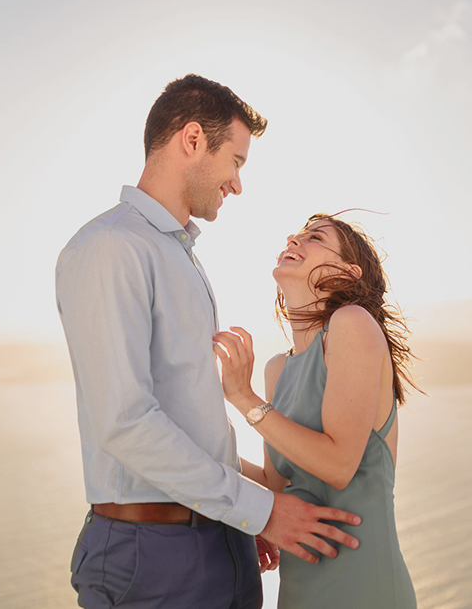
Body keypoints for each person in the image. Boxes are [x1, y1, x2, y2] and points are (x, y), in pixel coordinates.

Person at [55, 75, 361, 609]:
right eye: (237, 161)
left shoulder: (179, 255)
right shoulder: (111, 247)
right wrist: (261, 510)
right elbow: (124, 422)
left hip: (220, 539)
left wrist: (245, 514)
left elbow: (189, 417)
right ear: (192, 140)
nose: (238, 184)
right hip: (153, 558)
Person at [214, 213, 419, 608]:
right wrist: (206, 442)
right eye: (298, 234)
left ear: (346, 273)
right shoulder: (279, 368)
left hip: (365, 587)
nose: (295, 238)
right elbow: (279, 485)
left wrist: (245, 398)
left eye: (315, 237)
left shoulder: (353, 323)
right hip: (300, 590)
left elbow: (339, 465)